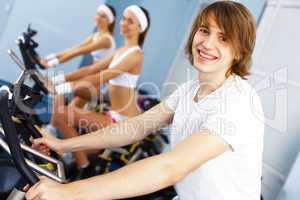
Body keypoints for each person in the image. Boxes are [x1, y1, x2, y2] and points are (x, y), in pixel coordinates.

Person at [27, 1, 264, 199]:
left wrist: (69, 193)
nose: (207, 43)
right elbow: (136, 127)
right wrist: (62, 144)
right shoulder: (190, 89)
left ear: (240, 51)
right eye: (204, 30)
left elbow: (170, 167)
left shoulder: (238, 102)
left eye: (223, 38)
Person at [42, 5, 150, 178]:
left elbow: (105, 75)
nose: (124, 23)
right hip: (113, 116)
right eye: (123, 18)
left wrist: (64, 87)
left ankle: (83, 168)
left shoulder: (136, 54)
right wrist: (57, 80)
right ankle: (74, 160)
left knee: (63, 114)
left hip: (124, 124)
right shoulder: (121, 51)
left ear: (140, 28)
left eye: (131, 21)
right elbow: (92, 69)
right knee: (72, 145)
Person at [40, 3, 116, 73]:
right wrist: (48, 58)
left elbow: (78, 52)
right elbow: (75, 48)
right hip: (94, 72)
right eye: (98, 14)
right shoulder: (95, 35)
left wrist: (50, 64)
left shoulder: (105, 40)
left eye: (103, 16)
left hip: (100, 77)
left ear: (109, 21)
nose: (98, 18)